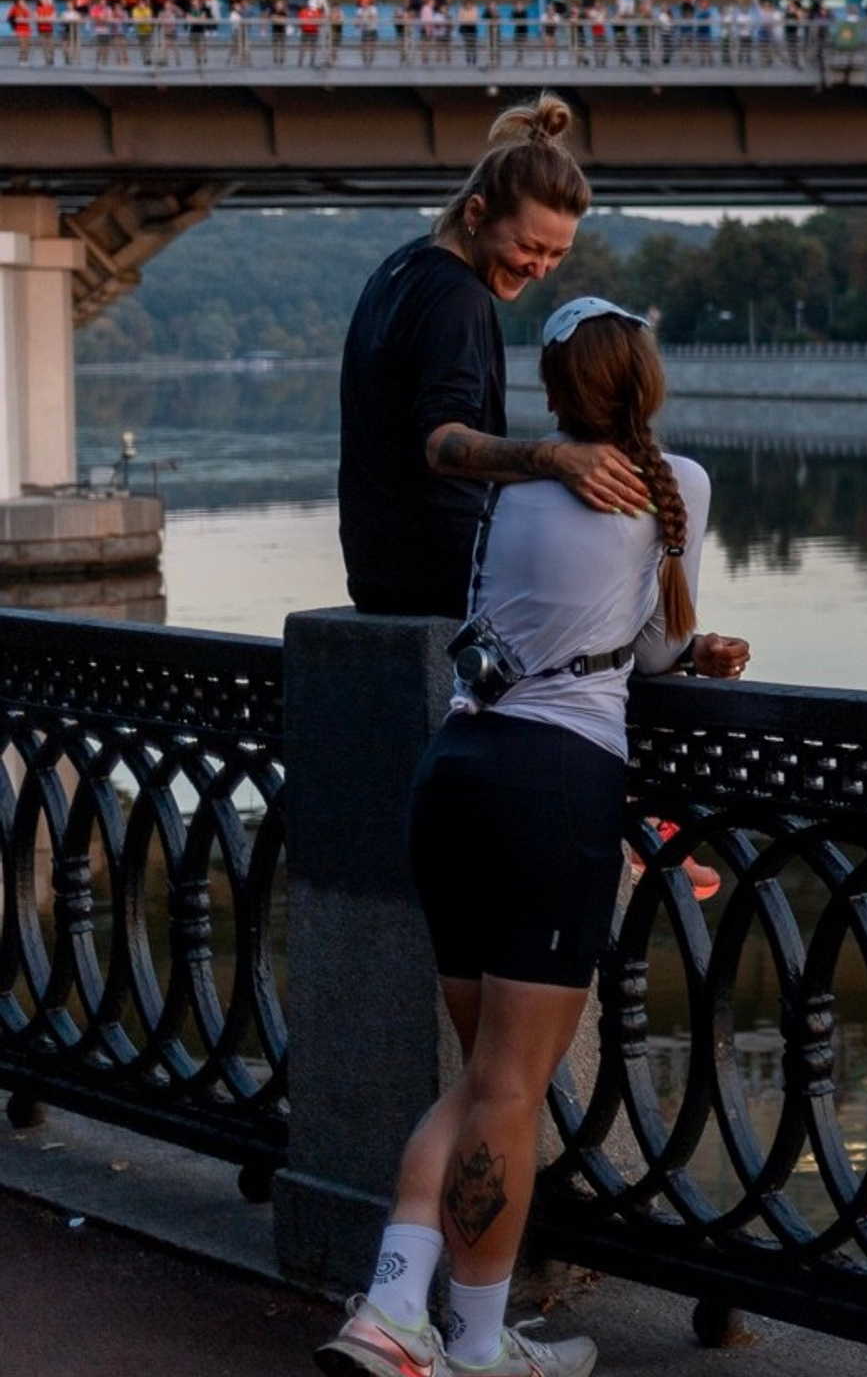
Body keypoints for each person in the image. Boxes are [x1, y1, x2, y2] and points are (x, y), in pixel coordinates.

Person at [316, 296, 751, 1377]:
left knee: (478, 1082)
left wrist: (667, 650)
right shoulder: (675, 484)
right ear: (644, 384)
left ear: (551, 390)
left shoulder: (507, 485)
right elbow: (650, 649)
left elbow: (593, 623)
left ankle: (389, 1313)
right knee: (509, 1090)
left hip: (454, 771)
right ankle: (469, 1347)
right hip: (552, 788)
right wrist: (689, 656)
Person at [338, 95, 649, 620]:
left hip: (377, 573)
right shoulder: (457, 296)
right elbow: (443, 444)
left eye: (557, 254)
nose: (541, 269)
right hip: (444, 576)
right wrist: (559, 461)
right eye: (530, 247)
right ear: (476, 213)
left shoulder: (400, 267)